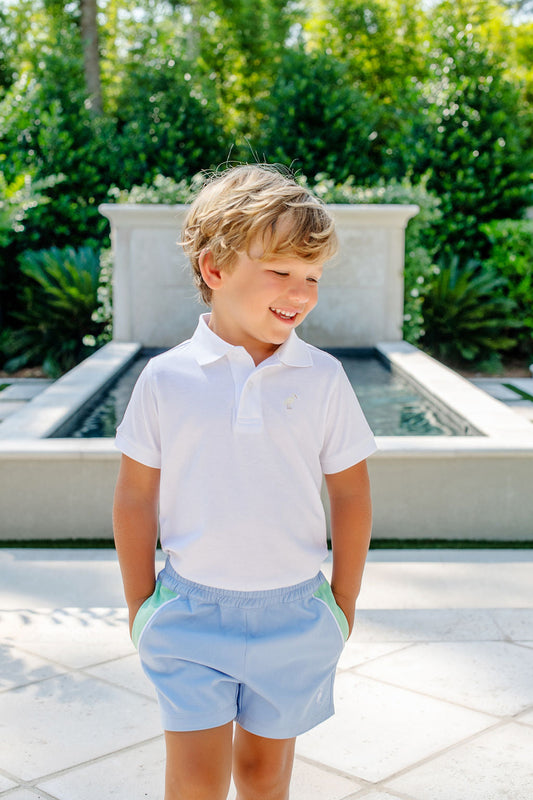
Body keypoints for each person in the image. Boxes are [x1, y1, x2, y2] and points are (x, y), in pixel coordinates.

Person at [113, 164, 377, 800]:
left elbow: (350, 493)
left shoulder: (323, 378)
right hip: (189, 616)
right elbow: (135, 496)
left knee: (263, 777)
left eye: (312, 276)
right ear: (215, 269)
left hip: (295, 615)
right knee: (196, 783)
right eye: (281, 271)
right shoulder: (165, 379)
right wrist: (140, 604)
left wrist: (342, 603)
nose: (300, 292)